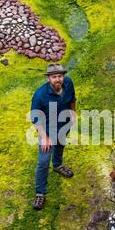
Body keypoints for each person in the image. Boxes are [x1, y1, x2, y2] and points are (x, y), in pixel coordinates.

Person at [30, 63, 77, 210]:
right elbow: (36, 117)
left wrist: (73, 113)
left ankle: (58, 165)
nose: (58, 79)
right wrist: (44, 137)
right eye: (54, 77)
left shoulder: (68, 83)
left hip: (64, 125)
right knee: (43, 162)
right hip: (47, 131)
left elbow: (72, 99)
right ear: (48, 78)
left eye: (60, 76)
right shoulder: (40, 95)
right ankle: (40, 193)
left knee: (60, 145)